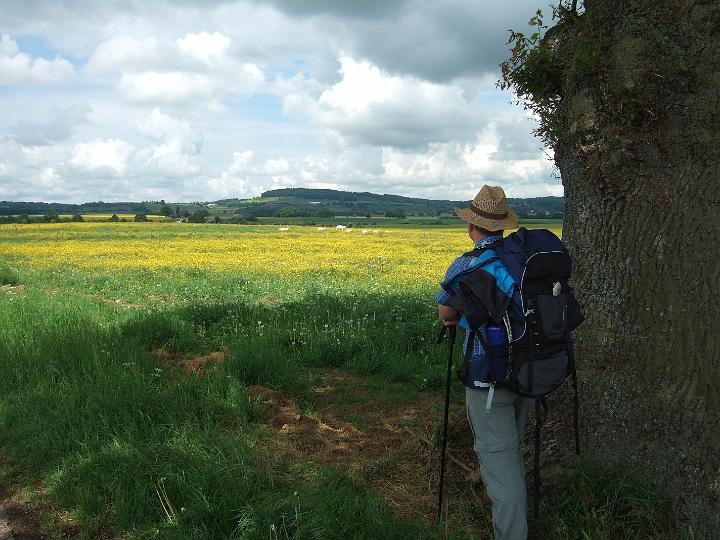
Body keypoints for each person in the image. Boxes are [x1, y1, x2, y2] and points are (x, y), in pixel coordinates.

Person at [435, 185, 533, 540]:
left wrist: (456, 315)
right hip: (530, 370)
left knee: (501, 465)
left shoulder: (468, 263)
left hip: (488, 377)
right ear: (503, 225)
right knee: (512, 449)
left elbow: (446, 310)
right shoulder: (523, 258)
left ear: (471, 227)